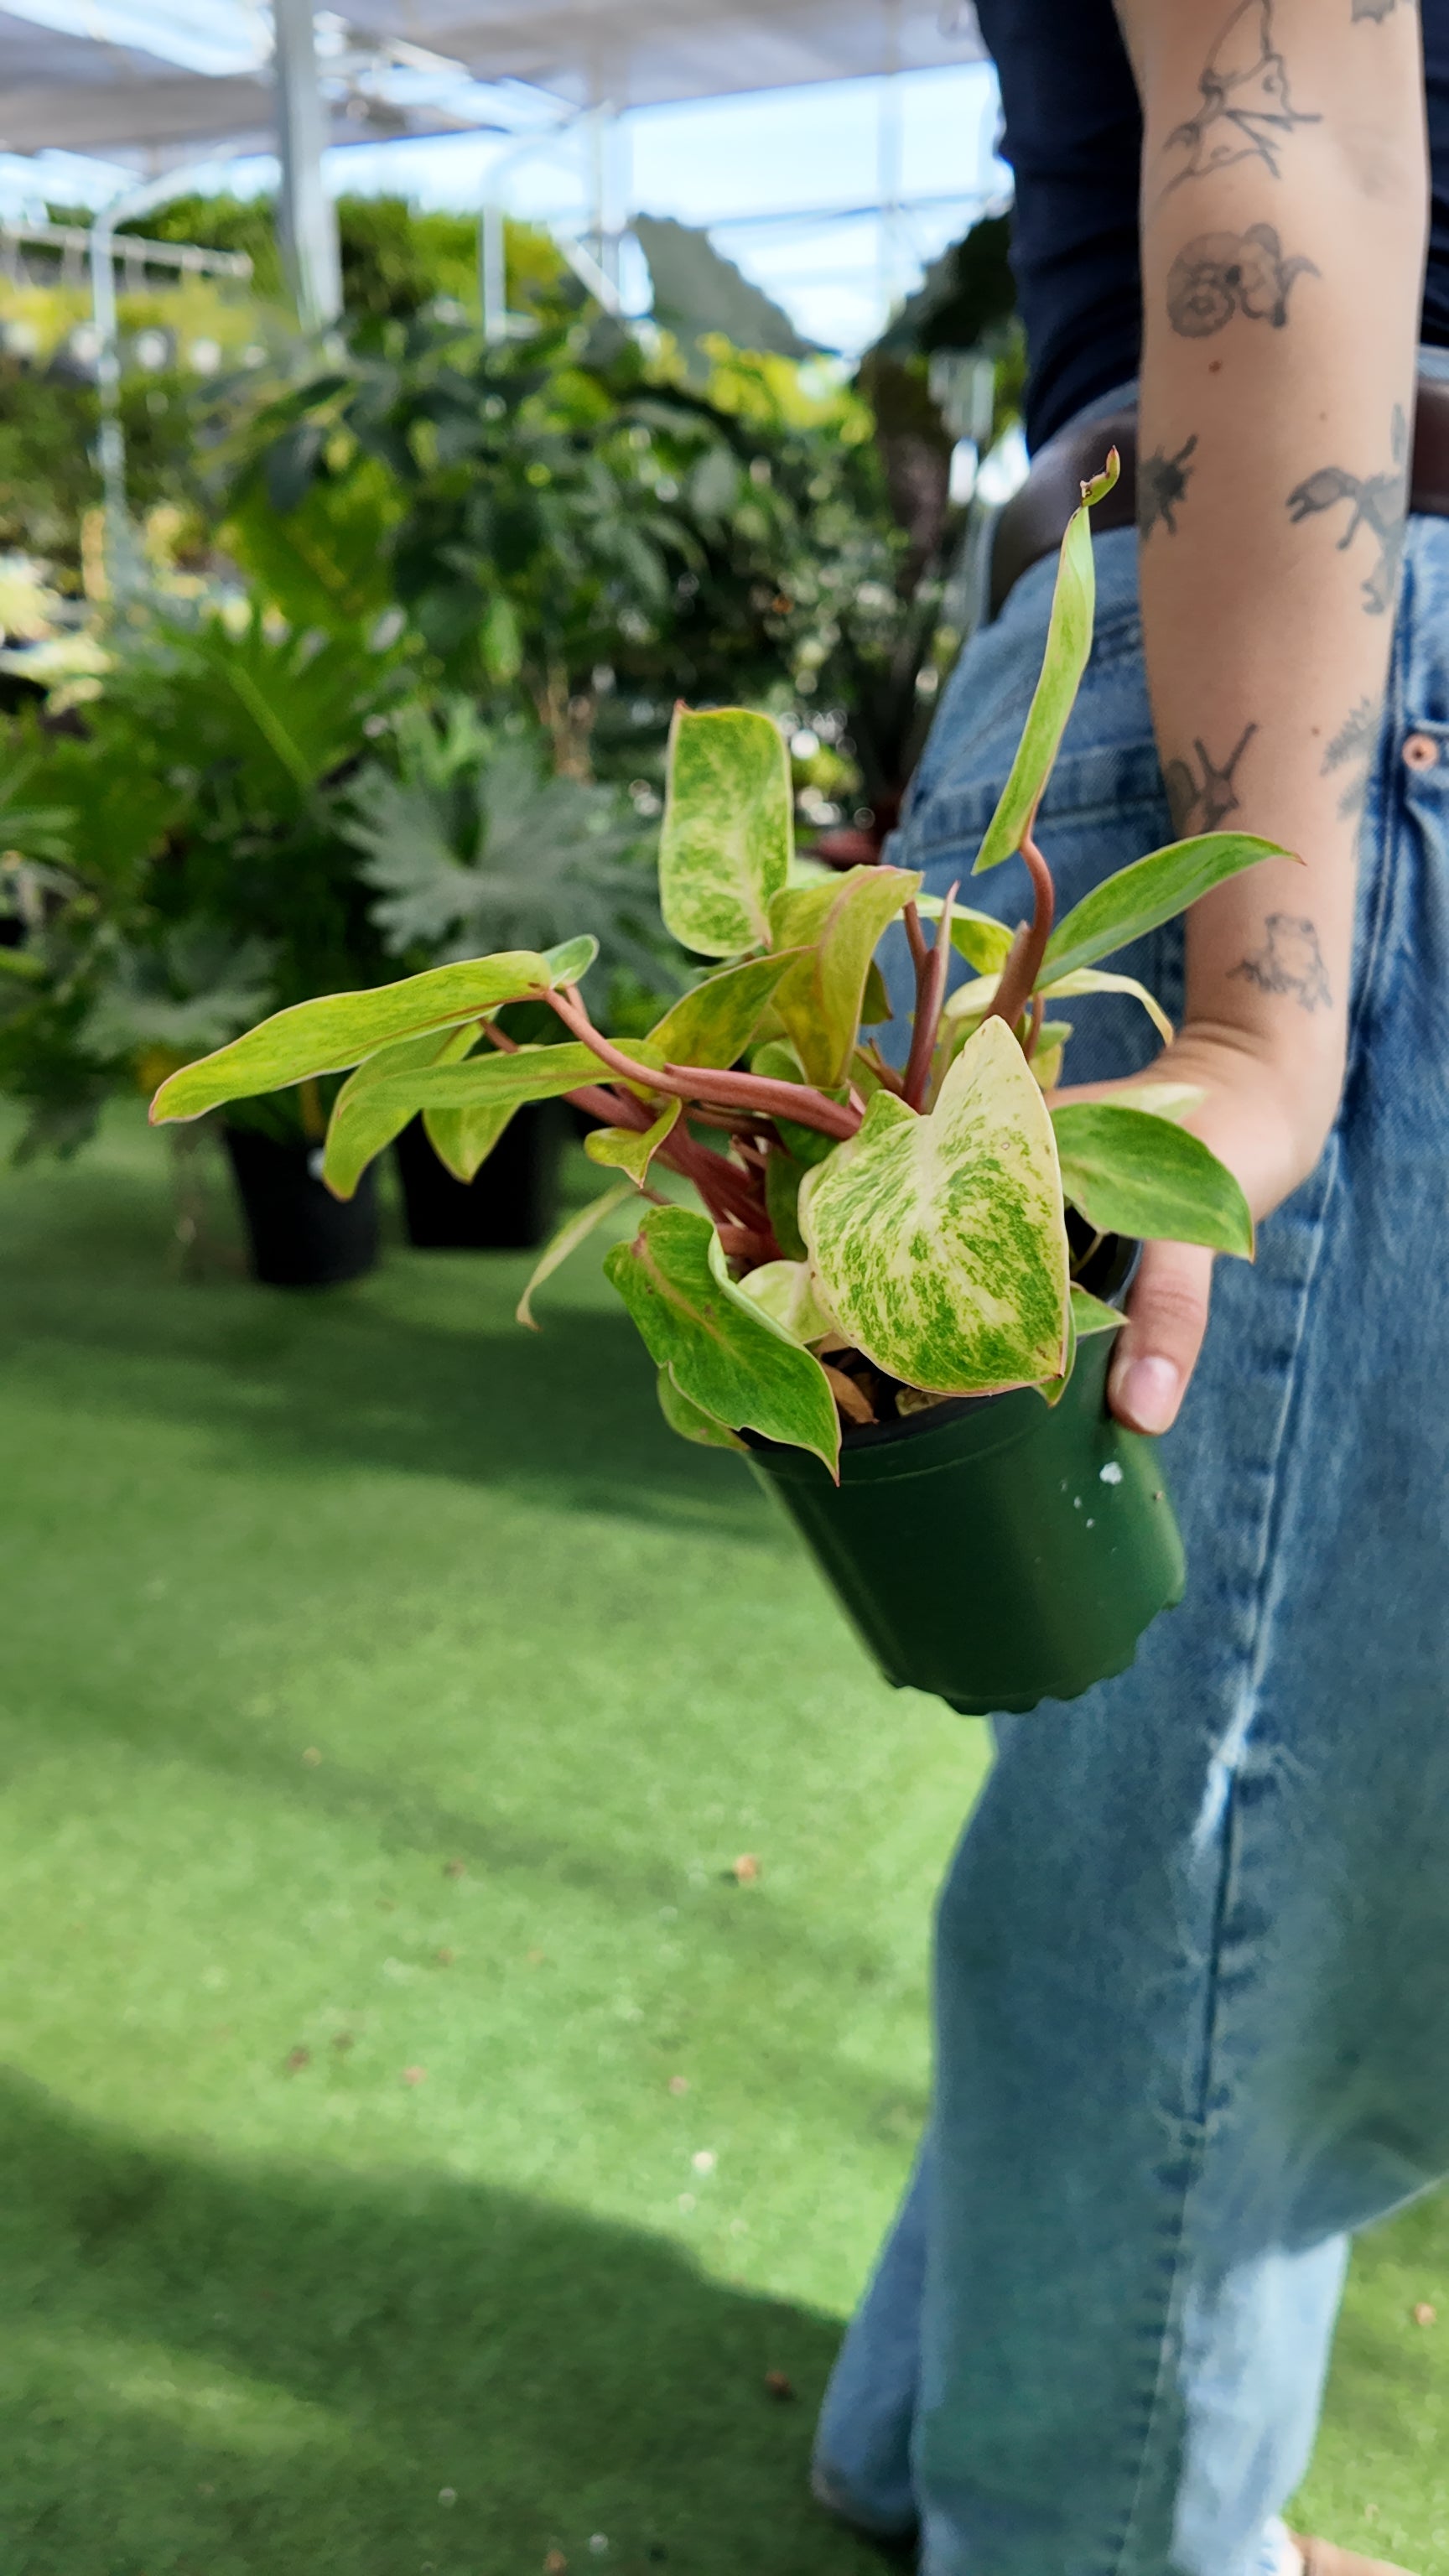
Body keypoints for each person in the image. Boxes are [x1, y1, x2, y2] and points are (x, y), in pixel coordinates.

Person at [812, 4, 1449, 2573]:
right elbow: (1269, 113)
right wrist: (1271, 1014)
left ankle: (950, 2427)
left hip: (1242, 683)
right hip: (1306, 717)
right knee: (1273, 1859)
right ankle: (1088, 2520)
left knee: (1177, 1786)